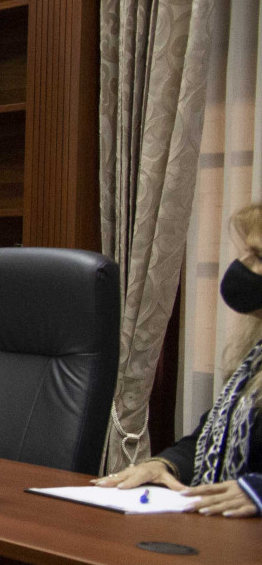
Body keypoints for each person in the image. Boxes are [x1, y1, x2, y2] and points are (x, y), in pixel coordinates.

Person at [95, 202, 262, 518]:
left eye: (257, 257)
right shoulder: (255, 357)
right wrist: (163, 465)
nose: (242, 265)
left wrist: (256, 491)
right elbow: (212, 437)